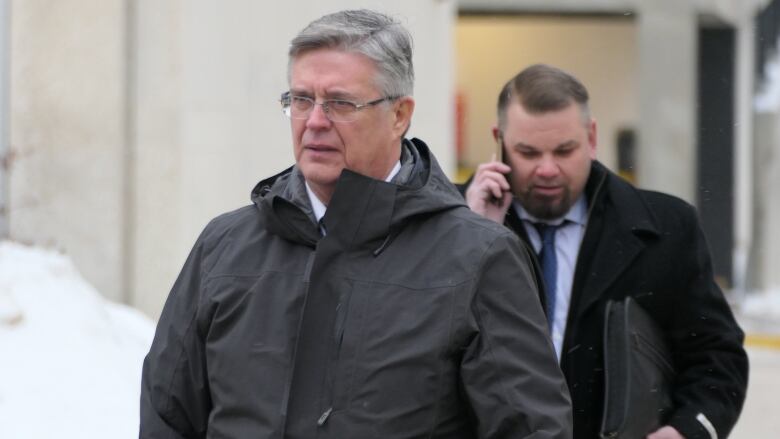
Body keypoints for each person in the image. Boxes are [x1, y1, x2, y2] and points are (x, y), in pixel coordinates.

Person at [140, 11, 573, 439]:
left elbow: (532, 427)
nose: (314, 122)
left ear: (400, 115)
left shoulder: (479, 258)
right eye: (301, 100)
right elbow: (167, 416)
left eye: (340, 103)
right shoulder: (225, 246)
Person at [463, 63, 748, 439]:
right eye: (528, 153)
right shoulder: (450, 221)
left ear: (592, 136)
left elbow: (717, 359)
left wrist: (684, 431)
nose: (547, 169)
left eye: (565, 150)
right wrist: (472, 232)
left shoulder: (666, 228)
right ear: (499, 141)